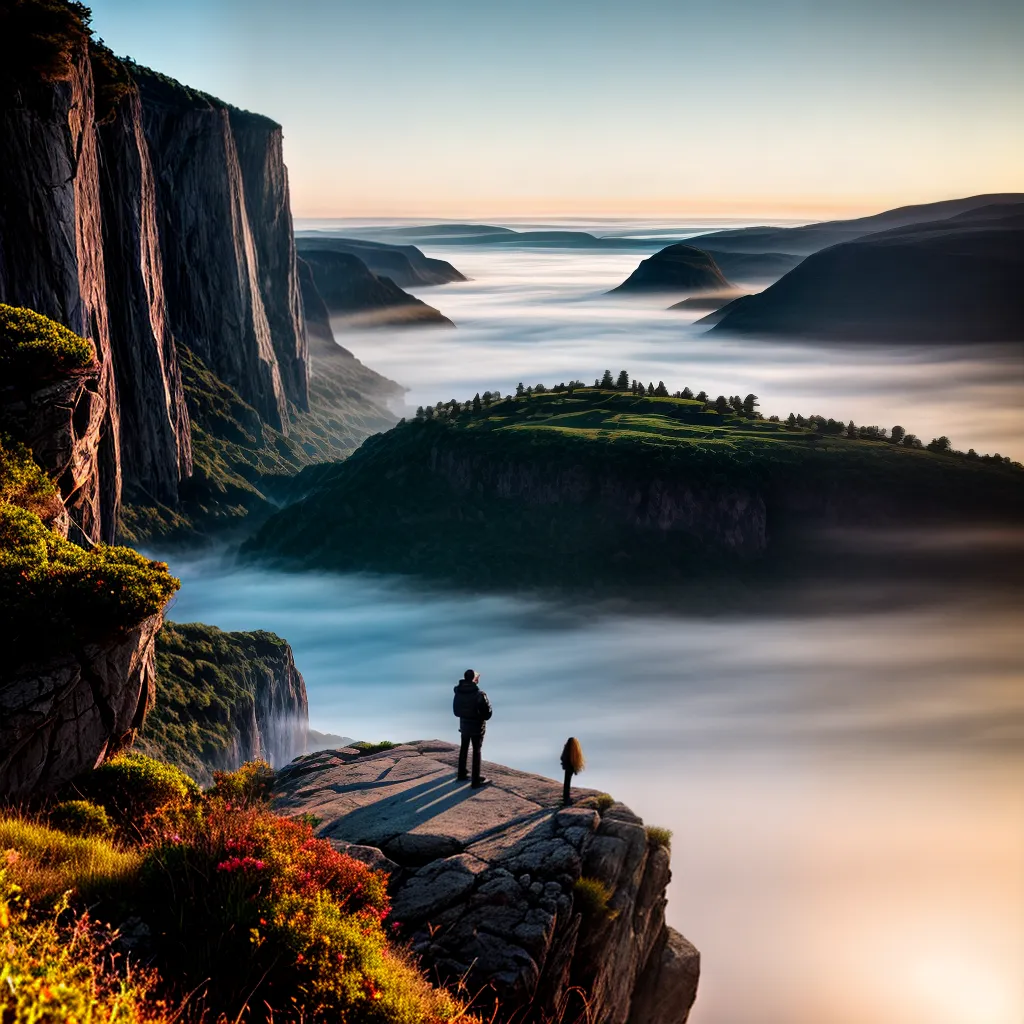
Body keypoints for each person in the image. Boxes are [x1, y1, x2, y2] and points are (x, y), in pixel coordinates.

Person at [453, 669, 492, 787]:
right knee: (476, 751)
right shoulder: (480, 694)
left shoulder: (458, 691)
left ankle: (461, 774)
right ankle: (475, 781)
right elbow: (487, 714)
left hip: (464, 725)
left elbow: (456, 711)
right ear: (474, 679)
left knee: (464, 748)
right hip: (477, 727)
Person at [560, 737, 585, 806]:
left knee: (566, 783)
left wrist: (564, 764)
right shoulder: (576, 749)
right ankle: (566, 799)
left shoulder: (567, 748)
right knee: (567, 783)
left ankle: (566, 799)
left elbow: (562, 757)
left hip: (567, 768)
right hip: (571, 768)